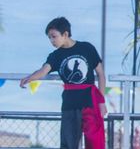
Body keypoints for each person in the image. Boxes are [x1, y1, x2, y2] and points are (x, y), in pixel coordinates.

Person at [20, 17, 106, 149]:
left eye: (54, 36)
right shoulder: (56, 55)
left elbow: (100, 74)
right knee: (68, 143)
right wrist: (29, 78)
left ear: (65, 34)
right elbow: (43, 71)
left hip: (90, 100)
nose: (51, 41)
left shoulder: (87, 48)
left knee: (94, 141)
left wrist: (101, 102)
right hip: (70, 103)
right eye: (49, 38)